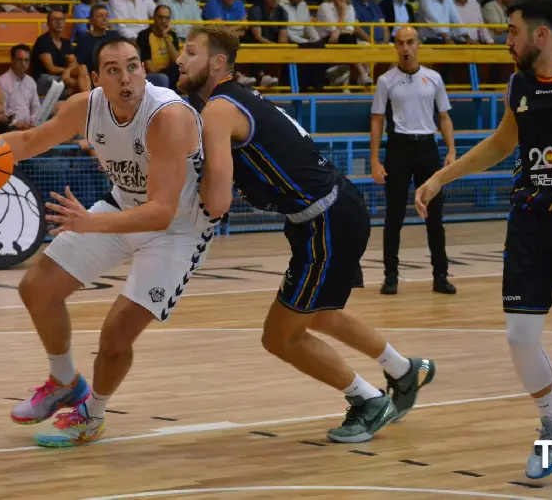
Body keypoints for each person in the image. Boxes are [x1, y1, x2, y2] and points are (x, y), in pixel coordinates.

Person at [0, 37, 218, 448]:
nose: (126, 78)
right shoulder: (86, 107)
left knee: (116, 335)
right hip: (123, 206)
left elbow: (160, 211)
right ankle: (65, 381)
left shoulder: (168, 116)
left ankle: (93, 415)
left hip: (177, 228)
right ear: (95, 77)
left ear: (144, 68)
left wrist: (88, 224)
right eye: (113, 69)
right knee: (37, 288)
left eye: (133, 66)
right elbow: (30, 142)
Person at [179, 24, 436, 443]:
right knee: (318, 311)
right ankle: (405, 371)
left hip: (325, 219)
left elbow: (219, 201)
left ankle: (368, 400)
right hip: (329, 210)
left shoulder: (218, 110)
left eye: (190, 52)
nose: (179, 59)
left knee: (279, 336)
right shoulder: (232, 101)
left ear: (218, 62)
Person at [415, 0, 552, 480]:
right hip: (530, 225)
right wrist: (440, 178)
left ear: (541, 35)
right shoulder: (518, 85)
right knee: (520, 337)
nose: (506, 41)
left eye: (512, 31)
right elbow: (502, 143)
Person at [370, 26, 456, 296]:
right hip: (399, 148)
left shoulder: (434, 79)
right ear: (395, 47)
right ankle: (390, 276)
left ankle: (440, 275)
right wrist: (374, 160)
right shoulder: (386, 81)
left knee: (434, 215)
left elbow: (443, 116)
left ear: (418, 45)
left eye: (410, 42)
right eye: (400, 43)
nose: (405, 48)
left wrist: (451, 150)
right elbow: (377, 120)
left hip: (427, 148)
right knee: (394, 216)